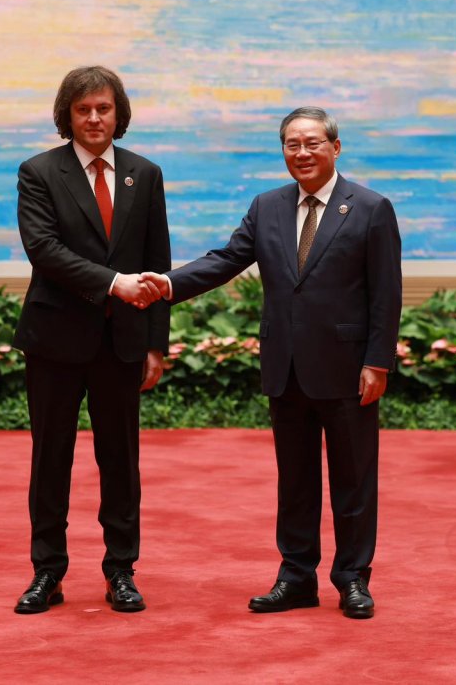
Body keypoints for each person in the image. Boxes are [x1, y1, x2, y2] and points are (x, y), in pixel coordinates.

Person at [141, 106, 402, 619]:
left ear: (335, 147)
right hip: (286, 367)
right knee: (295, 481)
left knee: (353, 482)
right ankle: (297, 577)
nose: (302, 153)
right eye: (291, 144)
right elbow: (226, 260)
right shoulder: (267, 206)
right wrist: (168, 284)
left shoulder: (371, 208)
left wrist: (378, 361)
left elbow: (386, 293)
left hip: (347, 368)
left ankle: (353, 579)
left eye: (312, 143)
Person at [11, 65, 169, 614]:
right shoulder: (39, 172)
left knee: (121, 461)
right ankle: (47, 573)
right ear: (68, 116)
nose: (95, 118)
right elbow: (43, 250)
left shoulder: (145, 174)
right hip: (54, 341)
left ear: (118, 113)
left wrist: (156, 344)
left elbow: (157, 260)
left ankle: (121, 571)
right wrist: (112, 283)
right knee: (50, 460)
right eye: (83, 110)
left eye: (104, 108)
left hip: (122, 342)